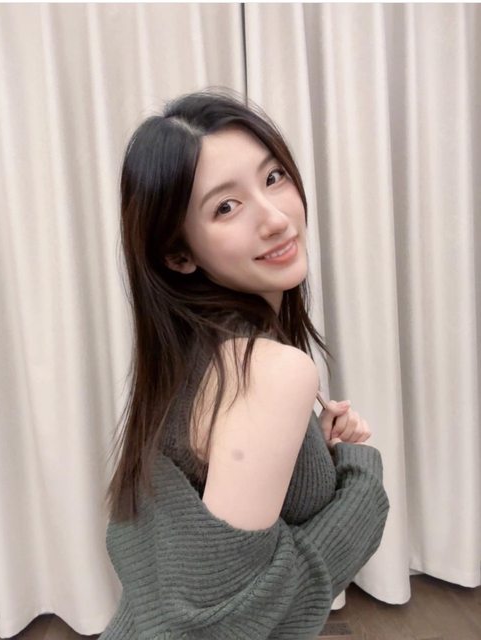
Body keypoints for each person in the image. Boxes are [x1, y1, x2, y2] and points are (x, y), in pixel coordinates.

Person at [100, 87, 389, 639]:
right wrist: (360, 478)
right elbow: (223, 624)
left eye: (273, 177)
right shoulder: (267, 370)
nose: (275, 218)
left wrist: (314, 450)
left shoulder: (189, 355)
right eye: (226, 207)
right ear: (178, 254)